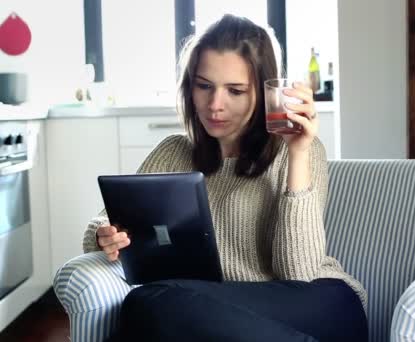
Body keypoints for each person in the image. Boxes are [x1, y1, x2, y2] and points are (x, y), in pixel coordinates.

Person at [53, 14, 367, 342]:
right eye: (204, 86)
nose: (215, 105)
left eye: (235, 90)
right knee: (151, 311)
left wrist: (298, 154)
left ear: (262, 92)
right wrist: (106, 236)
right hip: (214, 311)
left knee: (151, 304)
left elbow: (298, 274)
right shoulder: (173, 153)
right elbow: (103, 225)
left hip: (319, 304)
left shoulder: (301, 150)